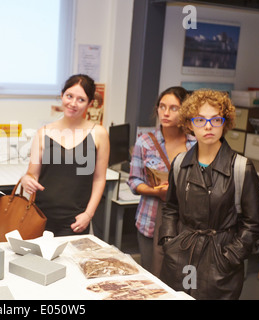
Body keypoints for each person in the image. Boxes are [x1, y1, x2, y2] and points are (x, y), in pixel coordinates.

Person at [159, 89, 259, 299]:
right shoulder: (180, 163)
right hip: (181, 256)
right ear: (189, 124)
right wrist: (169, 242)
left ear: (225, 123)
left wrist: (229, 257)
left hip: (220, 263)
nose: (208, 126)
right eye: (200, 120)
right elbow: (171, 208)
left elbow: (254, 224)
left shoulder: (241, 168)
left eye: (216, 120)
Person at [21, 74, 110, 236]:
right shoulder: (43, 133)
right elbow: (31, 174)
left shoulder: (99, 134)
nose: (73, 103)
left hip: (76, 220)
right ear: (62, 96)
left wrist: (88, 215)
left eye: (81, 99)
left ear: (90, 103)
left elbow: (99, 179)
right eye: (69, 96)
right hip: (40, 216)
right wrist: (26, 179)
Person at [127, 87, 196, 275]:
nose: (166, 113)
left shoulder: (195, 145)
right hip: (150, 219)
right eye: (162, 106)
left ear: (185, 111)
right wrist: (156, 191)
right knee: (151, 275)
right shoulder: (145, 142)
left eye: (174, 108)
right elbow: (134, 181)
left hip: (184, 222)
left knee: (178, 276)